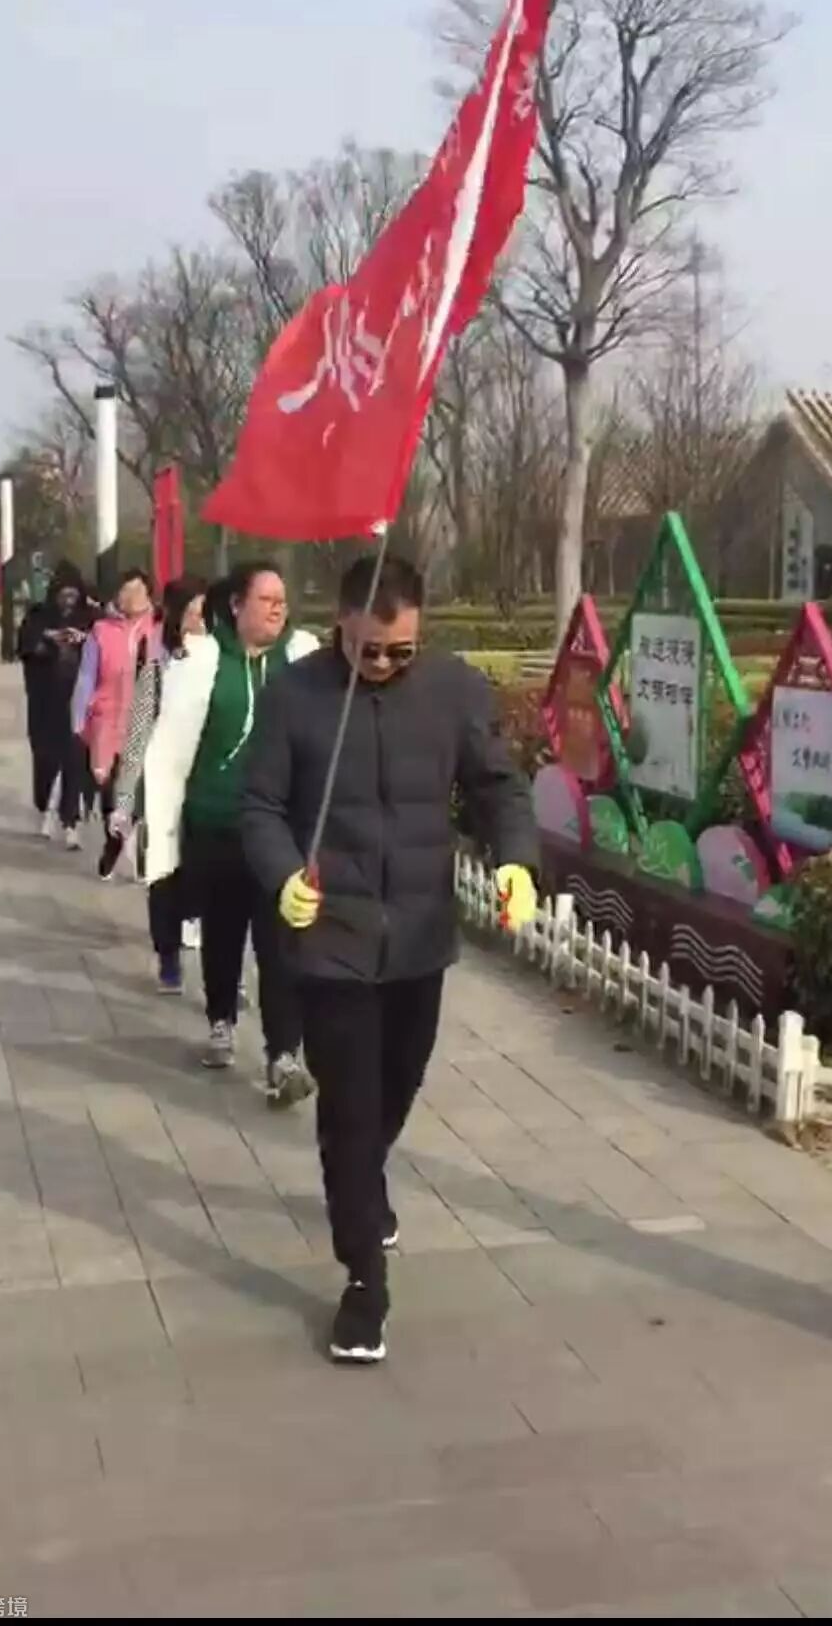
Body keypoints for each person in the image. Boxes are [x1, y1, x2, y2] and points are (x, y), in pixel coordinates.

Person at [241, 553, 538, 1365]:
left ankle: (363, 1184)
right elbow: (260, 805)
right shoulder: (296, 695)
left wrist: (516, 861)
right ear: (340, 623)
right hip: (330, 938)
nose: (380, 664)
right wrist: (282, 875)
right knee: (349, 1110)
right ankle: (364, 1282)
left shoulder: (452, 692)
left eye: (398, 651)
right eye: (366, 649)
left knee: (394, 1090)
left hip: (416, 937)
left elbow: (498, 788)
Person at [147, 561, 319, 1092]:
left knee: (280, 944)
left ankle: (283, 1054)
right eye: (265, 598)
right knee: (222, 934)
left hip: (280, 831)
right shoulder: (203, 660)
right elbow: (171, 745)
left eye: (282, 599)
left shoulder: (302, 659)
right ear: (238, 605)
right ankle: (220, 1019)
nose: (277, 607)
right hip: (217, 824)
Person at [109, 574, 208, 993]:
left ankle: (224, 969)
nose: (201, 622)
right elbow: (137, 738)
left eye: (207, 614)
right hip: (165, 791)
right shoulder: (158, 670)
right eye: (194, 613)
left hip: (209, 790)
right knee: (165, 875)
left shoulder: (224, 667)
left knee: (216, 878)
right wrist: (124, 799)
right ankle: (168, 953)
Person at [71, 567, 159, 873]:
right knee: (109, 791)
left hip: (145, 722)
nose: (130, 597)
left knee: (139, 788)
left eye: (137, 591)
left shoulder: (159, 629)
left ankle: (140, 848)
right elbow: (86, 677)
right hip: (106, 723)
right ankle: (114, 841)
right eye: (125, 591)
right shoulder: (101, 631)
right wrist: (79, 719)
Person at [17, 561, 94, 848]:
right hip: (45, 701)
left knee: (75, 761)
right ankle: (45, 806)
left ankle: (70, 819)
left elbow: (106, 648)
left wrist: (84, 639)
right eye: (64, 594)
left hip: (79, 703)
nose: (69, 600)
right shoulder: (38, 616)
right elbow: (25, 646)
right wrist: (49, 638)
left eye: (74, 594)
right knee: (46, 758)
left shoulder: (92, 618)